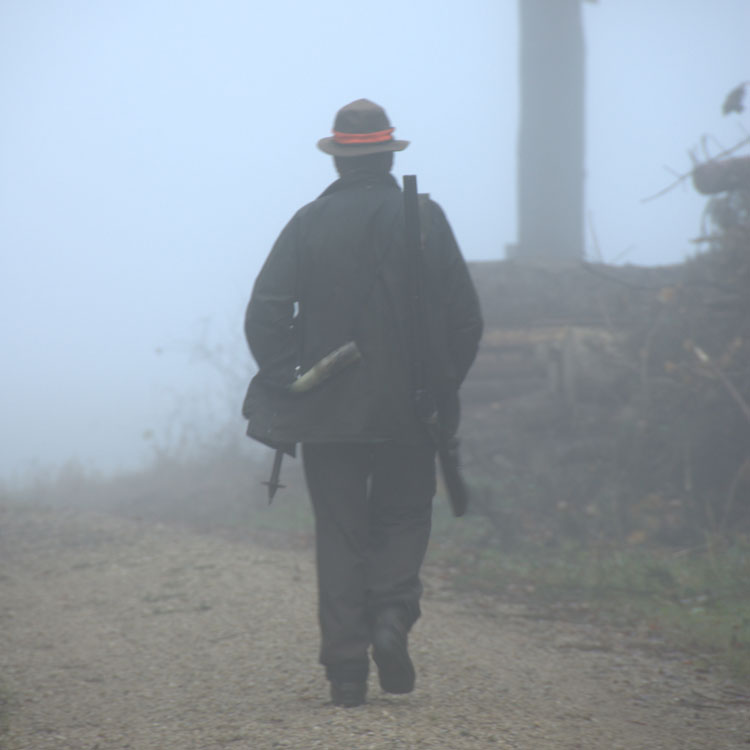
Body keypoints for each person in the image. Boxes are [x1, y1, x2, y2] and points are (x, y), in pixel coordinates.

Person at [242, 98, 482, 707]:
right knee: (404, 517)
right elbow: (466, 321)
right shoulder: (425, 218)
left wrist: (289, 380)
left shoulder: (307, 222)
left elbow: (265, 313)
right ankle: (392, 619)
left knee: (342, 533)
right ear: (386, 154)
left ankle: (346, 673)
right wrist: (440, 387)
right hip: (411, 408)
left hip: (327, 412)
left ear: (339, 161)